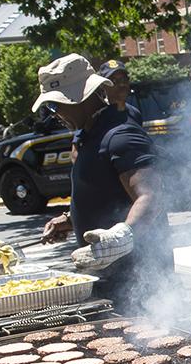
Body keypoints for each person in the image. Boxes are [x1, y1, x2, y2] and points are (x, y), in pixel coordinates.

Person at [37, 54, 171, 314]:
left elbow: (150, 196)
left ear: (81, 98)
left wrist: (122, 236)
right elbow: (103, 192)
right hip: (108, 277)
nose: (55, 115)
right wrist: (71, 219)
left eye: (56, 106)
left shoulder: (120, 134)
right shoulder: (89, 135)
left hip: (139, 279)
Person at [98, 59, 143, 124]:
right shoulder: (98, 118)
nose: (121, 84)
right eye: (114, 81)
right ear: (103, 86)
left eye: (124, 79)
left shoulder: (135, 114)